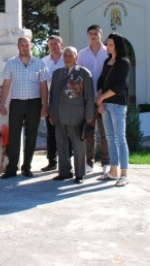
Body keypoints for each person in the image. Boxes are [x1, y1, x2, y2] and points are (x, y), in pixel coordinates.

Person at [0, 36, 49, 179]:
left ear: (31, 46)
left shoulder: (39, 63)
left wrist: (45, 105)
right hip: (17, 103)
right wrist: (2, 103)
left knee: (31, 136)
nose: (24, 47)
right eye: (22, 45)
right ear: (18, 46)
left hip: (34, 103)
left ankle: (27, 167)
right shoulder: (11, 63)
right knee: (13, 136)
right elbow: (6, 84)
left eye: (27, 45)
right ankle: (12, 168)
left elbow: (44, 86)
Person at [48, 47, 95, 184]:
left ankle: (80, 174)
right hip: (59, 115)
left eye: (71, 55)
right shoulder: (57, 73)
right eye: (66, 55)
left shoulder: (83, 73)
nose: (67, 58)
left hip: (77, 116)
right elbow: (52, 96)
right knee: (61, 145)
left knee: (78, 146)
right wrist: (51, 113)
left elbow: (89, 97)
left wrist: (89, 115)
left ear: (76, 57)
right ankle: (64, 172)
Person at [95, 33, 131, 187]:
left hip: (117, 105)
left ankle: (124, 174)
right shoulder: (106, 62)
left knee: (120, 139)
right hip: (106, 105)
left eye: (110, 43)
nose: (107, 46)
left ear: (117, 45)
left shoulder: (124, 63)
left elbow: (119, 86)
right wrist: (100, 101)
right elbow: (100, 81)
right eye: (107, 43)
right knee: (110, 138)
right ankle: (113, 171)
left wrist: (101, 98)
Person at [77, 24, 110, 175]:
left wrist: (102, 97)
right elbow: (78, 77)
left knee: (105, 133)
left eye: (96, 33)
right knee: (89, 132)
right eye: (90, 33)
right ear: (87, 36)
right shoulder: (82, 54)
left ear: (101, 34)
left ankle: (106, 162)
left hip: (105, 98)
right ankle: (89, 162)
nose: (93, 36)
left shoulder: (108, 52)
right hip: (88, 100)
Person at [40, 35, 65, 172]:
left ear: (62, 44)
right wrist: (43, 105)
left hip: (66, 103)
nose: (53, 46)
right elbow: (41, 84)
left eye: (56, 44)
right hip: (50, 102)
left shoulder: (68, 59)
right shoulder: (43, 61)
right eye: (50, 44)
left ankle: (66, 161)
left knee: (66, 133)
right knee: (51, 133)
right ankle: (52, 161)